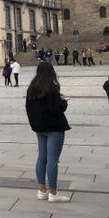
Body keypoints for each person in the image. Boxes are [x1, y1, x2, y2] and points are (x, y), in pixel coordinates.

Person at [25, 62, 71, 203]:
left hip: (40, 128)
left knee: (42, 158)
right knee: (52, 160)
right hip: (54, 128)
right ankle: (53, 193)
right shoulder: (51, 86)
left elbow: (29, 108)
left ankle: (41, 190)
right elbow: (55, 108)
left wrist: (35, 125)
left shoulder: (32, 88)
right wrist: (64, 103)